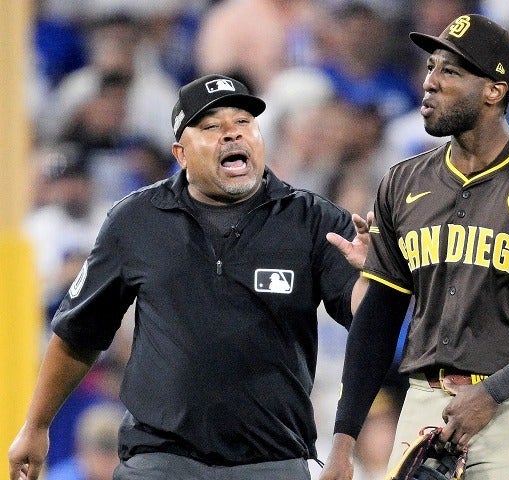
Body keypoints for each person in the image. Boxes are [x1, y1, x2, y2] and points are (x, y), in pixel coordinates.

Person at [9, 73, 371, 480]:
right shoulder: (136, 220)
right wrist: (36, 426)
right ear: (180, 153)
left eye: (243, 123)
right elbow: (79, 333)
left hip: (272, 461)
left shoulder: (314, 220)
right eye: (212, 126)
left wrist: (372, 278)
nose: (232, 135)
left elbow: (365, 318)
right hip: (161, 460)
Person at [320, 14, 509, 480]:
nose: (430, 83)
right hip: (422, 401)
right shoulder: (402, 182)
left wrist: (495, 391)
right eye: (430, 68)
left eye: (450, 72)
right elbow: (378, 318)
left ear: (494, 90)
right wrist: (343, 442)